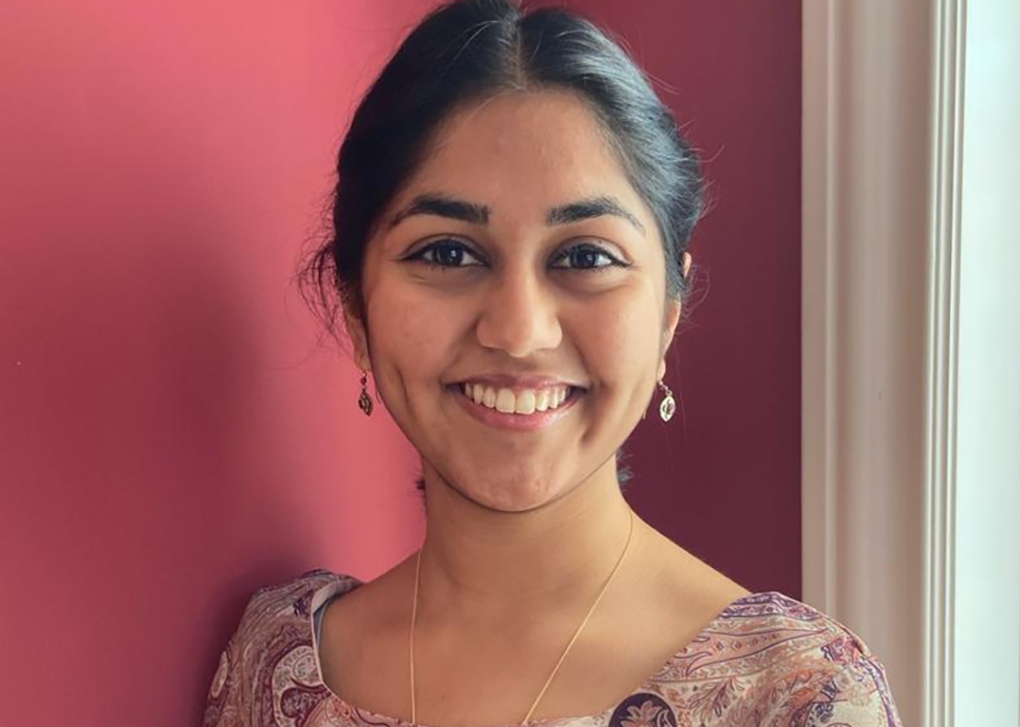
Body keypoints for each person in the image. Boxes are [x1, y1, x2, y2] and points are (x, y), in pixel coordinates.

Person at [202, 1, 903, 725]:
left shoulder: (797, 697)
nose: (518, 330)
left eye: (586, 256)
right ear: (357, 312)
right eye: (447, 252)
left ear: (666, 316)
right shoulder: (276, 658)